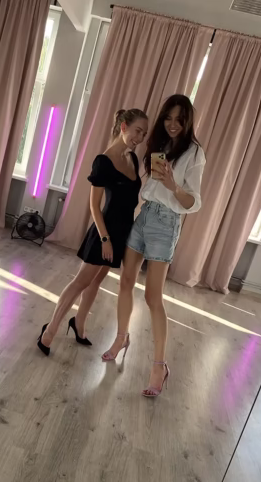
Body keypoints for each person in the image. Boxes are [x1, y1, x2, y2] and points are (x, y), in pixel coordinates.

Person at [102, 94, 206, 398]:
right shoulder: (160, 144)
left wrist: (173, 185)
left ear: (187, 122)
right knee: (125, 281)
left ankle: (159, 366)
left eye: (179, 120)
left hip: (167, 222)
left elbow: (194, 203)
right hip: (145, 214)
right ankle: (121, 338)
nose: (173, 124)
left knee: (152, 296)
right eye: (168, 118)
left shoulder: (195, 153)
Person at [37, 108, 149, 356]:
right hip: (103, 232)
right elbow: (94, 206)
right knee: (81, 281)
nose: (140, 138)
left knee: (96, 281)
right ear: (123, 127)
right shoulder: (103, 162)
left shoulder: (132, 159)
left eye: (144, 134)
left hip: (122, 233)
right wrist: (105, 239)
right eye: (137, 131)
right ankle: (49, 331)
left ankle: (79, 323)